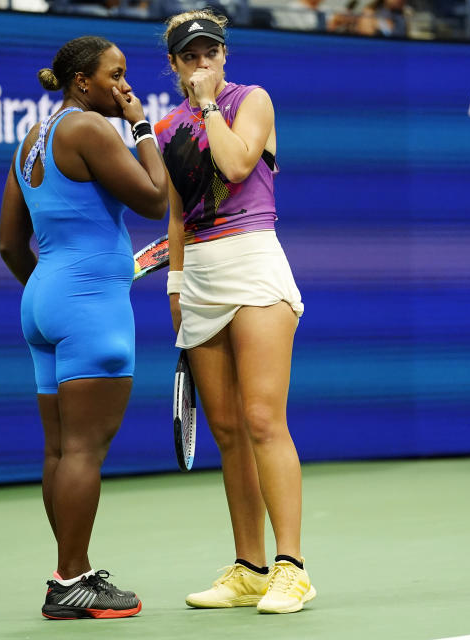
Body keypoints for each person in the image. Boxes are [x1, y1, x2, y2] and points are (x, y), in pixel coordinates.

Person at [0, 35, 168, 620]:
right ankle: (70, 579)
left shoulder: (31, 141)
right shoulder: (93, 130)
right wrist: (142, 126)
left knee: (60, 449)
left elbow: (7, 243)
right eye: (115, 74)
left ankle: (74, 569)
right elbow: (154, 200)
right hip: (89, 306)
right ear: (81, 82)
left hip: (45, 301)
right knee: (85, 450)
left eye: (127, 76)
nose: (124, 85)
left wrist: (55, 296)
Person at [153, 10, 316, 615]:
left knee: (262, 418)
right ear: (173, 64)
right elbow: (176, 213)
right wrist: (174, 284)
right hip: (198, 274)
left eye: (210, 53)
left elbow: (236, 166)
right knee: (225, 429)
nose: (201, 63)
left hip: (254, 266)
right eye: (189, 56)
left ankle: (291, 567)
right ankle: (249, 566)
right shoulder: (168, 128)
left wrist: (209, 107)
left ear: (224, 56)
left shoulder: (252, 101)